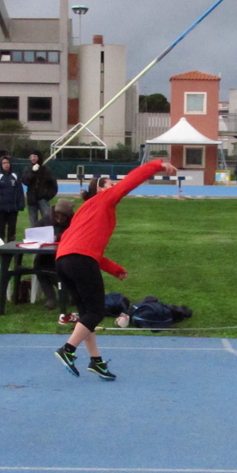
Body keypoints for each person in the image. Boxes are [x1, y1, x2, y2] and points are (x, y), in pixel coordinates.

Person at [53, 159, 178, 381]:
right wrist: (158, 164)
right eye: (110, 183)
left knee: (86, 316)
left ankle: (96, 361)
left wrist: (113, 269)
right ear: (99, 189)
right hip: (80, 260)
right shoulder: (103, 199)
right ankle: (68, 350)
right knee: (96, 312)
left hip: (63, 261)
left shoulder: (86, 211)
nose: (114, 186)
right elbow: (131, 181)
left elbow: (84, 245)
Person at [32, 198, 74, 310]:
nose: (59, 219)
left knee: (59, 270)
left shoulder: (73, 222)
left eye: (63, 217)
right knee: (38, 267)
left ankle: (67, 293)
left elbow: (74, 234)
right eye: (57, 216)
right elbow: (34, 229)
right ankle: (50, 298)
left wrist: (59, 237)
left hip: (64, 255)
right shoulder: (47, 218)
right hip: (45, 254)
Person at [0, 156, 25, 241]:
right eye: (4, 163)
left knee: (12, 229)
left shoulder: (15, 176)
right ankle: (0, 245)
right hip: (1, 209)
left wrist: (20, 205)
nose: (6, 164)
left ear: (10, 164)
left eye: (7, 162)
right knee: (0, 228)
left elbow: (19, 192)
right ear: (1, 165)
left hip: (13, 209)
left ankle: (11, 245)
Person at [21, 150, 58, 226]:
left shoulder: (46, 170)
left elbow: (53, 185)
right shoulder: (28, 169)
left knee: (47, 220)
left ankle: (47, 236)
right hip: (32, 200)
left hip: (43, 200)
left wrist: (47, 196)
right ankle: (34, 237)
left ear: (38, 157)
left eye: (34, 156)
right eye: (31, 157)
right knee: (33, 222)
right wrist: (32, 172)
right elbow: (25, 181)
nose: (32, 158)